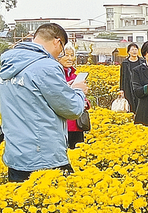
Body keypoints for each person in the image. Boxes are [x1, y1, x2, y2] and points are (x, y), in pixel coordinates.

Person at [0, 23, 88, 182]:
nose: (59, 55)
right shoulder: (47, 66)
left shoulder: (7, 64)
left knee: (20, 204)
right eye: (61, 51)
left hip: (15, 155)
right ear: (57, 41)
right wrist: (78, 91)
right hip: (44, 156)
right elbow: (72, 109)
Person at [58, 44, 91, 149]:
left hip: (77, 125)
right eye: (66, 55)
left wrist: (85, 103)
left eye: (72, 55)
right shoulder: (55, 75)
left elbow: (83, 96)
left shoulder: (75, 76)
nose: (69, 58)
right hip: (62, 124)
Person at [119, 43, 144, 113]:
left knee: (140, 104)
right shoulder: (125, 63)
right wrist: (121, 89)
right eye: (132, 49)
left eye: (136, 49)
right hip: (128, 87)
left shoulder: (142, 62)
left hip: (140, 86)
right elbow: (122, 77)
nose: (134, 51)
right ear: (128, 52)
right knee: (130, 105)